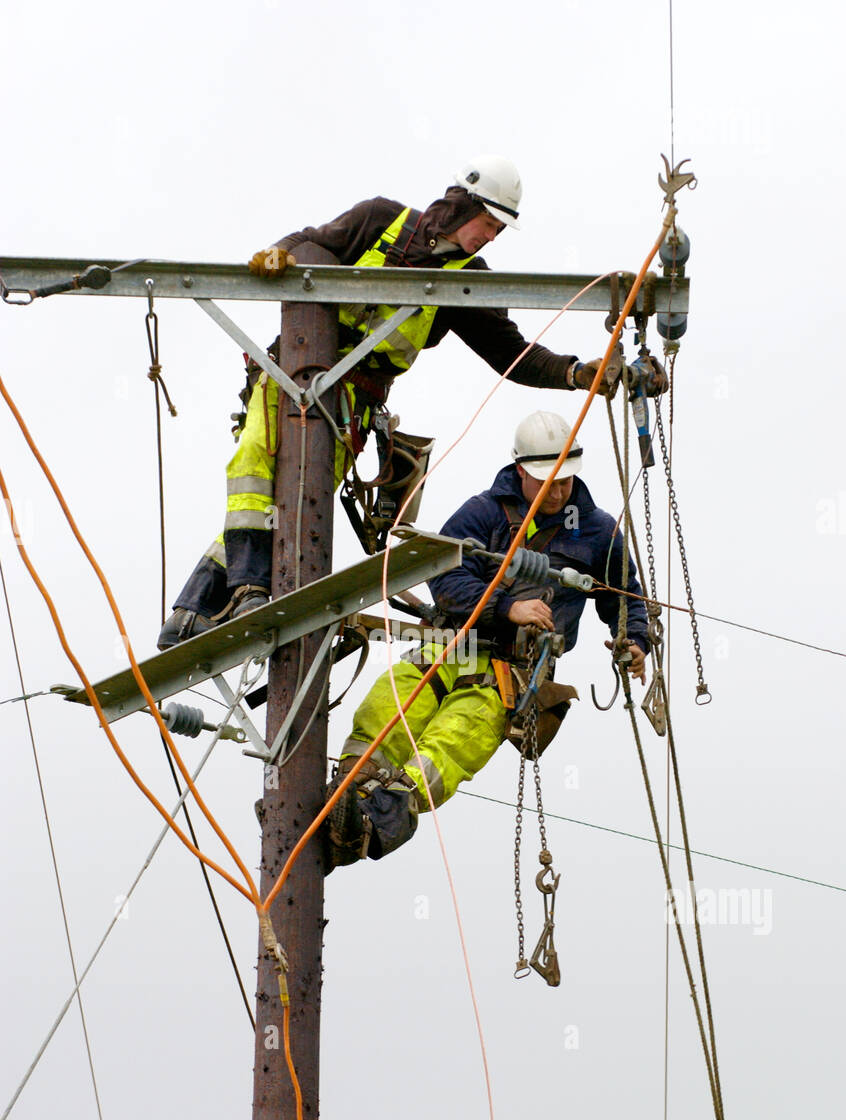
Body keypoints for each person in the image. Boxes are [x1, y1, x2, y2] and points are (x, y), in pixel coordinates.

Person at [157, 155, 619, 651]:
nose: (489, 236)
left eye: (498, 231)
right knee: (253, 471)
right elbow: (313, 241)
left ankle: (196, 611)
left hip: (350, 406)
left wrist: (575, 373)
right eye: (487, 224)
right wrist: (277, 254)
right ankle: (234, 598)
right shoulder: (381, 220)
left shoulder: (466, 279)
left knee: (296, 501)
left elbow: (512, 353)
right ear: (463, 204)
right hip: (289, 376)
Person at [325, 409, 650, 870]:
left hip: (511, 673)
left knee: (458, 737)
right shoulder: (483, 513)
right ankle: (347, 794)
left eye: (565, 482)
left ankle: (383, 816)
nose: (559, 492)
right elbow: (444, 574)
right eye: (548, 481)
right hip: (453, 643)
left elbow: (624, 596)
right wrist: (507, 607)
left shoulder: (597, 530)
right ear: (521, 471)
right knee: (390, 701)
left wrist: (634, 641)